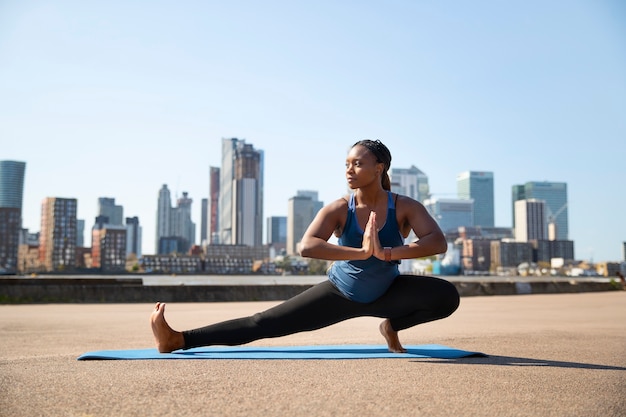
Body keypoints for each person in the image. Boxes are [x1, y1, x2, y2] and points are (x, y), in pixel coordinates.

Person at [151, 139, 460, 353]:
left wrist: (388, 253)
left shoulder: (404, 207)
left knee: (446, 297)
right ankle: (178, 340)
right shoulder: (339, 208)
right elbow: (307, 246)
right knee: (263, 323)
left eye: (357, 163)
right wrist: (362, 253)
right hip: (340, 293)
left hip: (387, 293)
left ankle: (391, 327)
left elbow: (436, 241)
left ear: (379, 168)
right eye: (346, 164)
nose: (349, 170)